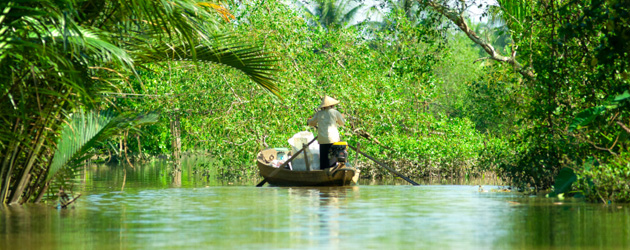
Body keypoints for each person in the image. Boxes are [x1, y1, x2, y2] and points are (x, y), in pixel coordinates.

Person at [307, 95, 345, 169]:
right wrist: (341, 118)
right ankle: (332, 172)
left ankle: (323, 172)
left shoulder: (319, 113)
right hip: (333, 139)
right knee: (332, 159)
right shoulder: (335, 112)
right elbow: (342, 123)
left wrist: (308, 120)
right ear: (332, 105)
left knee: (323, 160)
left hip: (322, 140)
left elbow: (311, 123)